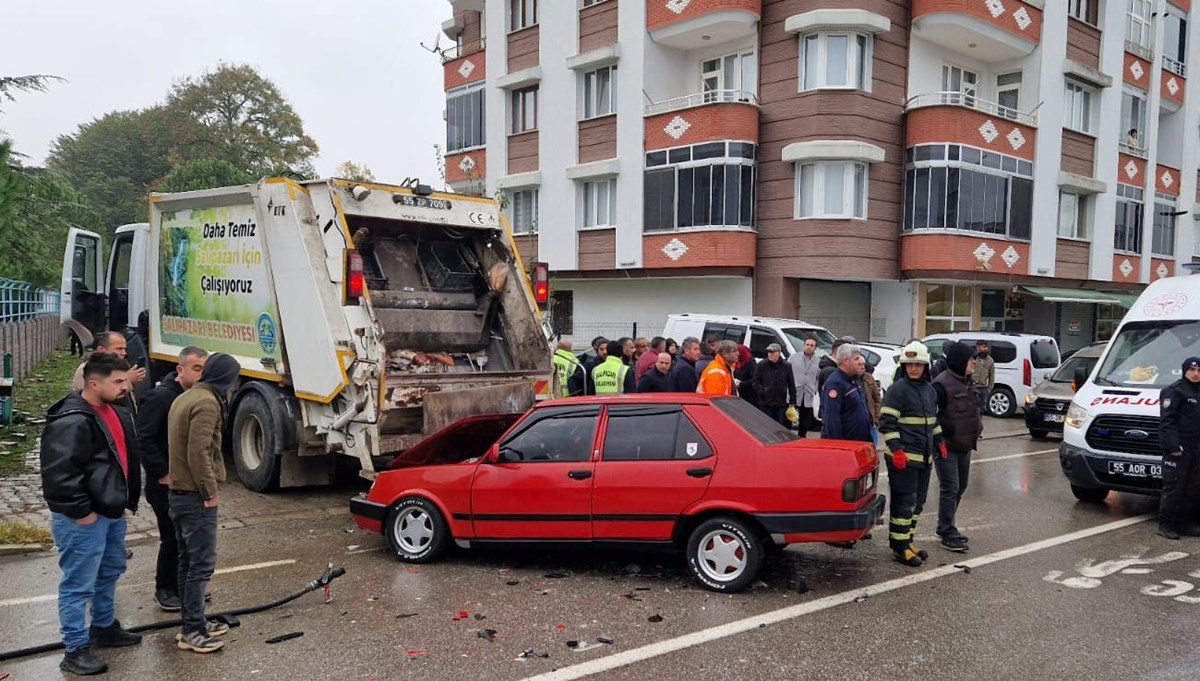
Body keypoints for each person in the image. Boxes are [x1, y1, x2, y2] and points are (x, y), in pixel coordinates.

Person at [41, 353, 143, 675]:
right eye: (118, 381)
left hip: (111, 511)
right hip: (84, 518)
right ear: (94, 383)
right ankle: (74, 649)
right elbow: (59, 475)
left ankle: (103, 626)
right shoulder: (72, 420)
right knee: (78, 584)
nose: (125, 386)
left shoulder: (115, 410)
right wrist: (82, 512)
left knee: (110, 569)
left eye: (125, 380)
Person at [168, 352, 241, 653]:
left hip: (179, 492)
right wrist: (209, 491)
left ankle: (193, 621)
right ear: (228, 378)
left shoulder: (186, 396)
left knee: (187, 562)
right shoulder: (208, 403)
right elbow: (199, 452)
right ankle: (193, 632)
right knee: (200, 565)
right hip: (194, 496)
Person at [135, 346, 209, 612]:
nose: (201, 374)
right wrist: (162, 471)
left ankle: (186, 586)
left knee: (188, 538)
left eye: (204, 369)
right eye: (196, 368)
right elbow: (143, 437)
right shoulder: (161, 397)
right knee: (172, 537)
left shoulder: (195, 397)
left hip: (186, 483)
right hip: (164, 483)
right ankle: (164, 589)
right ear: (180, 370)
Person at [879, 341, 947, 568]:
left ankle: (907, 541)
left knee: (918, 503)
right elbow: (887, 423)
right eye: (909, 364)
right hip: (904, 459)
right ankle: (899, 548)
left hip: (924, 457)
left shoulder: (928, 390)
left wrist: (939, 441)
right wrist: (897, 450)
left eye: (917, 364)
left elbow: (932, 422)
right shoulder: (898, 390)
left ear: (925, 365)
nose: (913, 368)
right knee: (903, 504)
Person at [931, 342, 982, 553]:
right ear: (962, 361)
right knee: (950, 487)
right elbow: (931, 416)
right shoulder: (941, 385)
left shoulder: (967, 382)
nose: (975, 363)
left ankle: (947, 525)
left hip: (965, 444)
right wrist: (939, 439)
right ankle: (947, 530)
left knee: (961, 486)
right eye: (972, 359)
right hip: (947, 446)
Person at [1156, 356, 1200, 540]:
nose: (1196, 374)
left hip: (1195, 450)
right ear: (1184, 371)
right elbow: (1167, 423)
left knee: (1192, 488)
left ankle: (1185, 523)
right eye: (1192, 370)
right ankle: (1166, 525)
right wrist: (1173, 447)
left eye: (1199, 370)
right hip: (1178, 450)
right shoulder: (1174, 391)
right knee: (1174, 488)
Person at [71, 331, 147, 404]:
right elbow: (95, 398)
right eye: (119, 349)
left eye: (124, 349)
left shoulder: (118, 368)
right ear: (101, 349)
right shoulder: (87, 370)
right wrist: (128, 380)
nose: (124, 353)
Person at [820, 344, 873, 443]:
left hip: (860, 442)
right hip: (847, 444)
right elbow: (831, 420)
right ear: (845, 361)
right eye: (856, 359)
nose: (861, 361)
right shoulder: (835, 383)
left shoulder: (853, 379)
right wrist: (838, 447)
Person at [753, 343, 796, 427]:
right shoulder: (762, 365)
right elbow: (755, 382)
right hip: (765, 402)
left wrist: (792, 401)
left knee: (779, 425)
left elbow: (791, 384)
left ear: (779, 353)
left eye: (772, 352)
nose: (770, 354)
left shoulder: (787, 366)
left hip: (781, 402)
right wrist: (763, 391)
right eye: (769, 352)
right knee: (767, 425)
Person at [788, 336, 821, 432]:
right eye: (807, 345)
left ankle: (802, 437)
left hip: (809, 394)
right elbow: (787, 373)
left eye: (812, 345)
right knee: (789, 418)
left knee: (805, 422)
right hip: (794, 393)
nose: (809, 347)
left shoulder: (819, 362)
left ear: (815, 348)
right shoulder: (793, 357)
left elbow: (818, 377)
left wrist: (815, 389)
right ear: (803, 346)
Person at [861, 357, 884, 446]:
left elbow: (877, 398)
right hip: (858, 423)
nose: (862, 367)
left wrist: (877, 416)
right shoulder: (849, 379)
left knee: (872, 447)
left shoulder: (869, 378)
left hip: (871, 420)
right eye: (859, 365)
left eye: (863, 365)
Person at [971, 340, 995, 418]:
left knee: (981, 409)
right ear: (978, 347)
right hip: (973, 386)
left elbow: (992, 374)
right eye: (983, 347)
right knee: (972, 407)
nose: (986, 349)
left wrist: (989, 388)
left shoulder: (990, 360)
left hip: (983, 387)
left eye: (987, 347)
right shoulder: (973, 358)